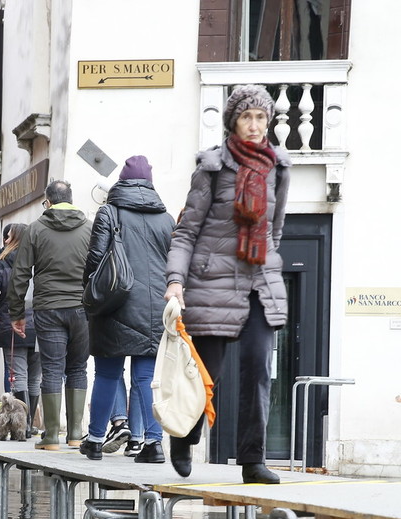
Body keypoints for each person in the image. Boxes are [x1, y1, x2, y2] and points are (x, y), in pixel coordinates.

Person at [165, 85, 291, 483]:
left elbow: (276, 228)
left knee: (258, 368)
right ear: (233, 121)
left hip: (259, 281)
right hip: (211, 281)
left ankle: (252, 460)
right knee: (206, 373)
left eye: (260, 117)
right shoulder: (212, 168)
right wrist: (175, 281)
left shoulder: (279, 167)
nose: (254, 125)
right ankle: (185, 436)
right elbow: (186, 232)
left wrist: (267, 262)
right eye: (246, 117)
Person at [81, 156, 173, 464]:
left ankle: (94, 440)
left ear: (122, 180)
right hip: (156, 308)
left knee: (107, 373)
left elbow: (95, 260)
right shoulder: (166, 218)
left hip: (116, 302)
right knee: (146, 377)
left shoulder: (109, 212)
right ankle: (153, 443)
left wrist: (91, 297)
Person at [7, 180, 92, 450]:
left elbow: (20, 274)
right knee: (78, 368)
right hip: (83, 308)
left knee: (53, 369)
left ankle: (52, 435)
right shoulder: (90, 228)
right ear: (71, 198)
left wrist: (17, 313)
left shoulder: (35, 230)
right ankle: (76, 433)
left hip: (48, 308)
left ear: (48, 201)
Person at [0, 222, 41, 437]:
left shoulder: (1, 262)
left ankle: (21, 427)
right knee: (35, 380)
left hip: (12, 324)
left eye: (9, 237)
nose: (5, 241)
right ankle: (30, 425)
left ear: (15, 239)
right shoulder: (40, 261)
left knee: (21, 378)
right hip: (42, 325)